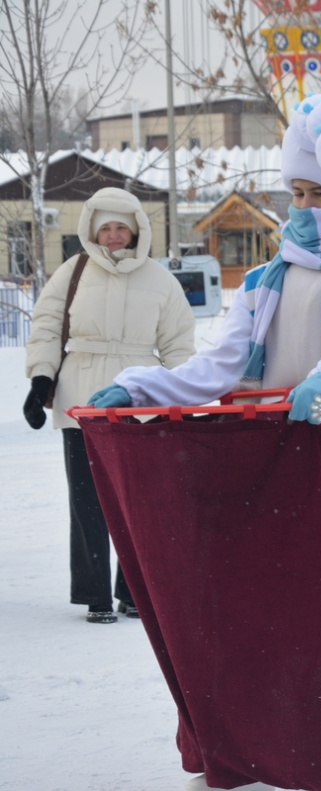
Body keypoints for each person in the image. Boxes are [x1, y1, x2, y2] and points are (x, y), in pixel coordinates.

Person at [87, 94, 321, 791]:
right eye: (295, 192)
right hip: (280, 462)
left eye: (318, 193)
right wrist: (142, 388)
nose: (303, 205)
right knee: (273, 614)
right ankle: (260, 750)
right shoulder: (265, 281)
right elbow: (216, 366)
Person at [23, 187, 195, 624]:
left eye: (122, 227)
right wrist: (40, 379)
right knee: (87, 501)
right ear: (93, 231)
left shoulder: (160, 280)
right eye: (106, 228)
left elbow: (178, 345)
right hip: (80, 399)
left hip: (140, 403)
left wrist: (183, 396)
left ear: (137, 230)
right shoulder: (73, 272)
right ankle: (95, 592)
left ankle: (134, 591)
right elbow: (45, 326)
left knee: (139, 502)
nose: (114, 236)